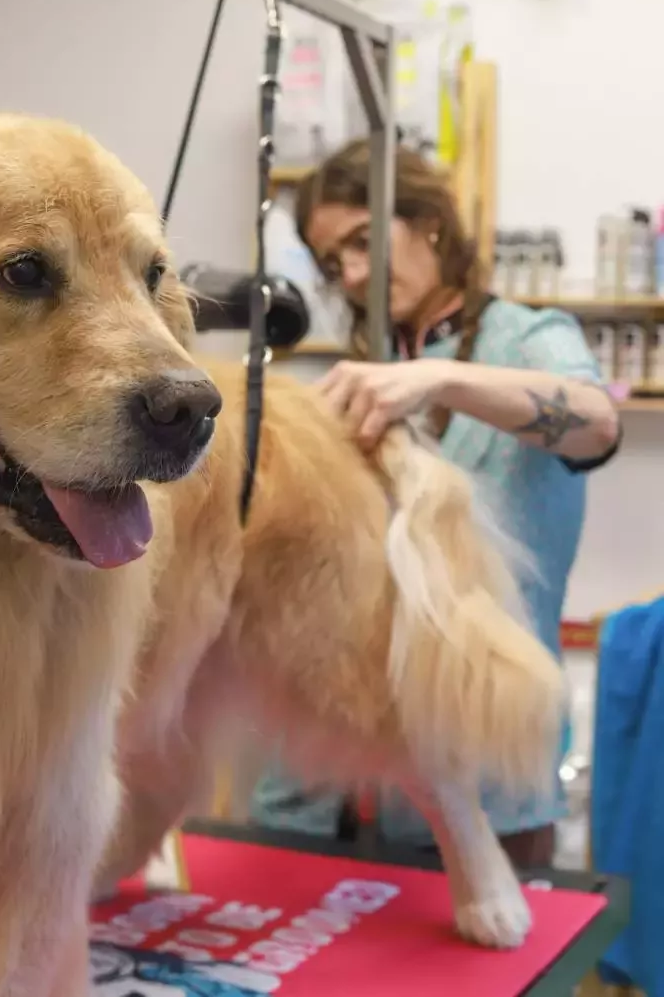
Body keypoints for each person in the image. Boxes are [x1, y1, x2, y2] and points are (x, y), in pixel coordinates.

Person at [249, 137, 621, 869]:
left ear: (429, 223)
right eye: (333, 263)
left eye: (362, 242)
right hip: (319, 786)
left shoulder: (528, 339)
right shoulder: (352, 380)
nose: (353, 275)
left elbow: (597, 422)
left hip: (484, 784)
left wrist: (441, 378)